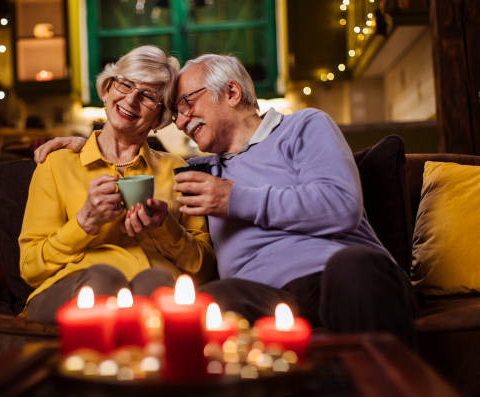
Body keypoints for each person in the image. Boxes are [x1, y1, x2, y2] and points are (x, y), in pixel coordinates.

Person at [34, 53, 417, 346]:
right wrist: (89, 146)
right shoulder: (195, 169)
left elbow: (341, 206)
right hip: (261, 295)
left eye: (187, 104)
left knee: (353, 268)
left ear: (231, 92)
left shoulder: (304, 126)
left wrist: (234, 199)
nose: (181, 122)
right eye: (176, 113)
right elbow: (138, 160)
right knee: (209, 303)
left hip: (340, 274)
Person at [19, 46, 216, 323]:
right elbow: (30, 269)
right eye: (125, 84)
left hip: (153, 283)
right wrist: (84, 223)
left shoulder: (177, 171)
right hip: (72, 289)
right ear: (108, 88)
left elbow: (204, 269)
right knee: (103, 280)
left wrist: (165, 228)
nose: (131, 100)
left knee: (158, 284)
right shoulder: (57, 164)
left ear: (160, 117)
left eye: (148, 96)